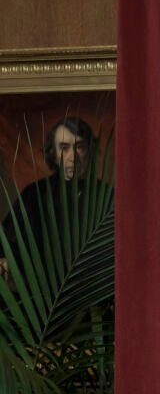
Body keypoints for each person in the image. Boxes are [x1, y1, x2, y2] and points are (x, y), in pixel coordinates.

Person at [0, 116, 98, 282]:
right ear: (53, 154)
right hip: (42, 298)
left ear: (89, 151)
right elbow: (4, 241)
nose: (72, 157)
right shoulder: (33, 194)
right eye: (64, 148)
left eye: (79, 147)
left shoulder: (108, 196)